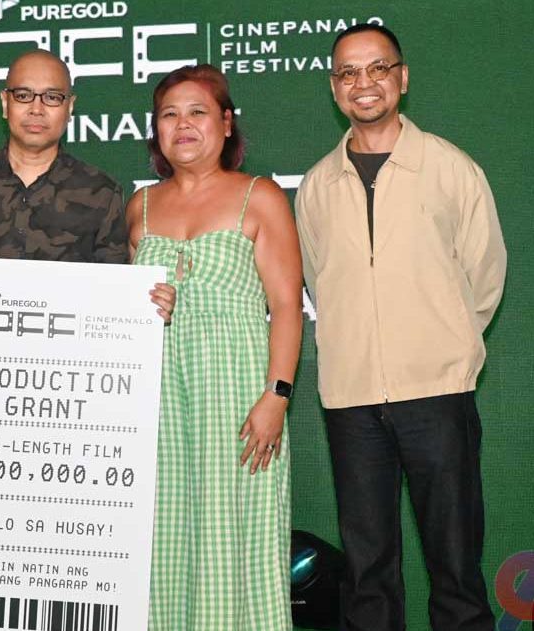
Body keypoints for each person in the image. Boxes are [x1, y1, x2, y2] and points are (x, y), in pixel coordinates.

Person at [295, 24, 506, 631]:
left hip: (437, 391)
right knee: (368, 574)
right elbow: (319, 281)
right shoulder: (316, 186)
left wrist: (445, 342)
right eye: (348, 72)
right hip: (351, 398)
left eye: (377, 68)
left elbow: (484, 275)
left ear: (402, 77)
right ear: (334, 87)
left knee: (455, 566)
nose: (363, 83)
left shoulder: (450, 168)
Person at [128, 64, 303, 631]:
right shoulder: (140, 208)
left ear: (226, 124)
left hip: (239, 401)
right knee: (165, 536)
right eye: (169, 114)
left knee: (240, 537)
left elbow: (286, 305)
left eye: (197, 112)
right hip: (161, 407)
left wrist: (277, 395)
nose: (182, 124)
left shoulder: (260, 196)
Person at [0, 49, 173, 317]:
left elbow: (116, 289)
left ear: (70, 107)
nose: (36, 109)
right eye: (23, 95)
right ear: (5, 103)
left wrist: (147, 306)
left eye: (52, 97)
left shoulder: (101, 192)